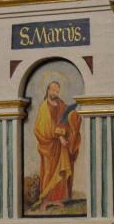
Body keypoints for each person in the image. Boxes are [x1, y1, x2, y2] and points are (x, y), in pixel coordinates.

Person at [33, 81, 81, 210]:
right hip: (49, 145)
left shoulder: (62, 105)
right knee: (49, 172)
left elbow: (68, 119)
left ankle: (57, 199)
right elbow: (40, 128)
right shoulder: (43, 107)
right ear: (48, 90)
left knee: (61, 172)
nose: (55, 92)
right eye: (53, 90)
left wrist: (74, 118)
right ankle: (45, 200)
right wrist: (58, 135)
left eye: (57, 90)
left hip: (61, 146)